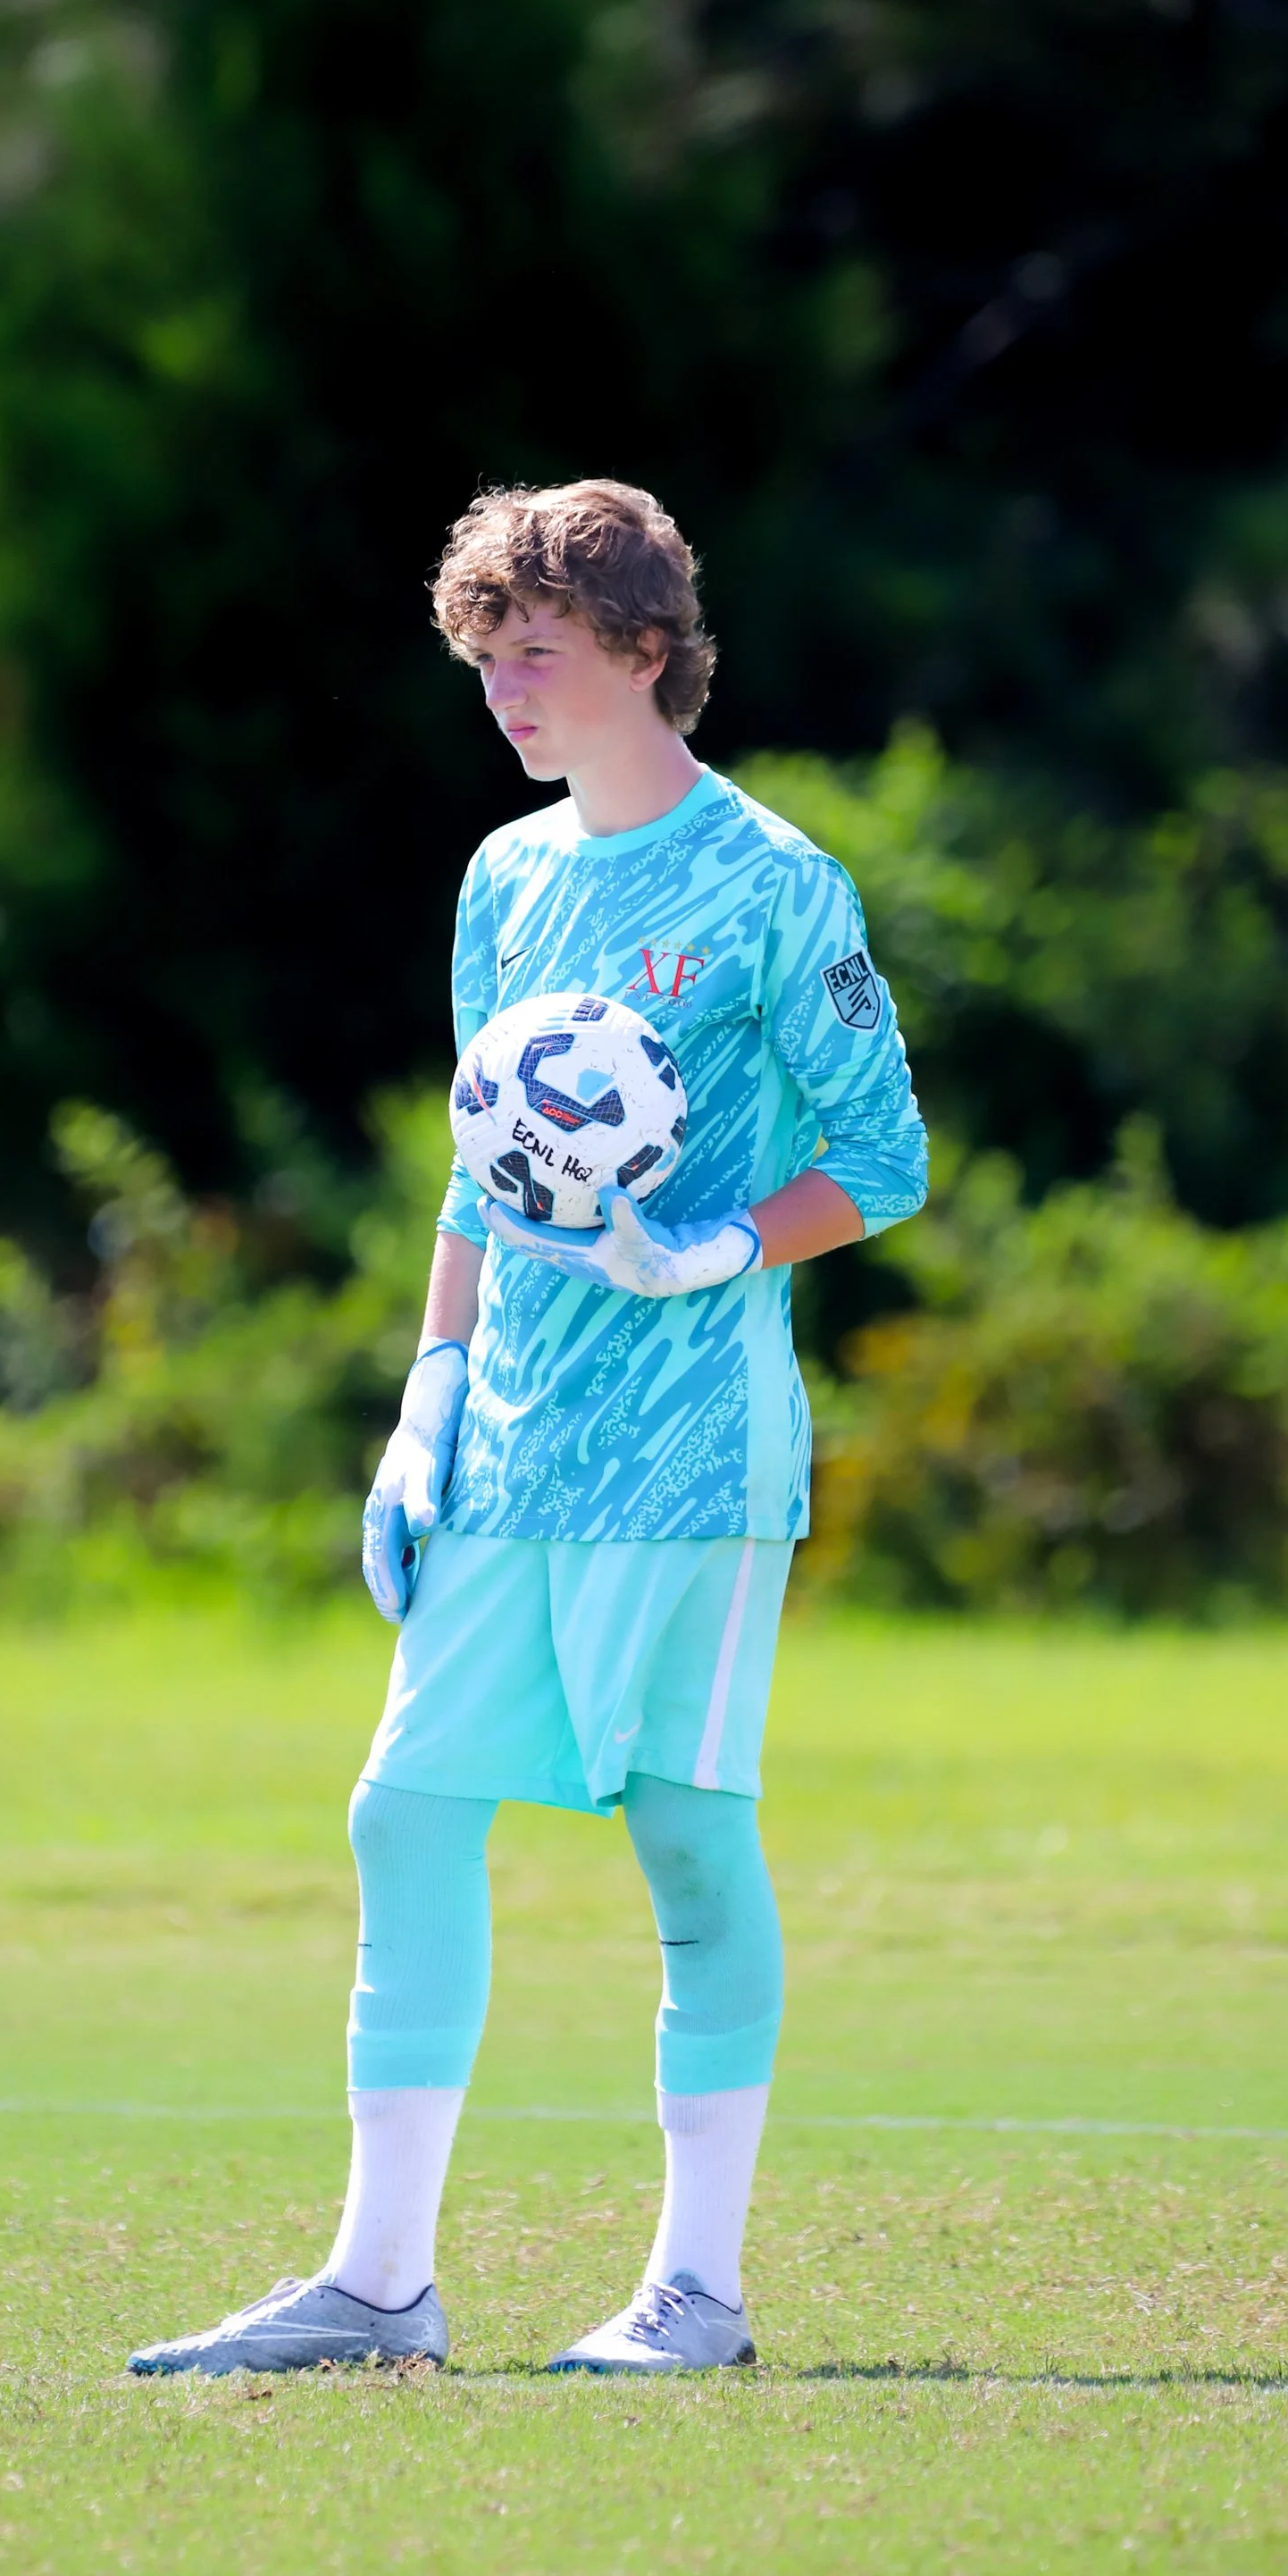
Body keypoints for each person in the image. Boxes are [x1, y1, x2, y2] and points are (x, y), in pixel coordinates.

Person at [129, 477, 927, 2380]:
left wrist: (716, 1248)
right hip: (512, 1443)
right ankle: (378, 2287)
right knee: (400, 1811)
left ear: (643, 651)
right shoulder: (501, 876)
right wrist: (424, 1398)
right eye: (484, 660)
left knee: (681, 1843)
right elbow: (480, 1168)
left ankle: (698, 2300)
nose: (501, 692)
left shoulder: (772, 882)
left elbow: (882, 1160)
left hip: (690, 1454)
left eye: (536, 655)